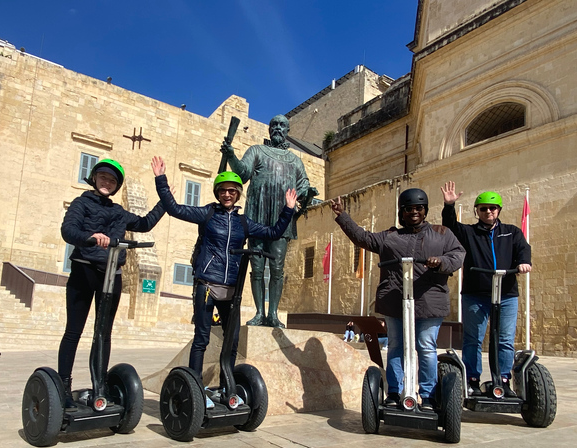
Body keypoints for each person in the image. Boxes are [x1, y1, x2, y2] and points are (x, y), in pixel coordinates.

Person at [152, 155, 297, 408]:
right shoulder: (208, 214)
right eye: (223, 190)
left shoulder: (243, 222)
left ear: (238, 194)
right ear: (217, 193)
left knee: (232, 341)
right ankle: (196, 391)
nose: (227, 194)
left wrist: (288, 209)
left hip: (232, 290)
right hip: (207, 285)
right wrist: (161, 180)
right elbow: (175, 209)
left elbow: (273, 232)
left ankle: (227, 386)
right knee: (202, 338)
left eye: (232, 191)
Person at [331, 189, 464, 410]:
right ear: (401, 212)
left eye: (418, 208)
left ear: (425, 211)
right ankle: (394, 392)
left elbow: (457, 255)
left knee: (426, 347)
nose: (414, 212)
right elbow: (363, 238)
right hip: (396, 302)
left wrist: (440, 261)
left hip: (429, 302)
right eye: (408, 209)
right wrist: (342, 216)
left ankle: (429, 396)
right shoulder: (391, 237)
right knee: (396, 347)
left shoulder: (442, 234)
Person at [58, 158, 166, 410]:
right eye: (103, 178)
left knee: (103, 333)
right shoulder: (81, 203)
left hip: (111, 274)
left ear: (117, 186)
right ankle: (63, 384)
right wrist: (89, 237)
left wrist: (164, 195)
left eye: (112, 180)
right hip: (84, 271)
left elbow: (145, 223)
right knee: (74, 331)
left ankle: (100, 386)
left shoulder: (118, 212)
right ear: (94, 178)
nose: (107, 182)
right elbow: (68, 231)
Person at [221, 114, 317, 328]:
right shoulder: (256, 151)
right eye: (274, 125)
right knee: (256, 267)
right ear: (269, 129)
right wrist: (231, 156)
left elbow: (303, 185)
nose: (278, 128)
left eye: (282, 125)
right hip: (257, 217)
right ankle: (259, 313)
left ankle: (273, 314)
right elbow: (242, 173)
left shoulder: (295, 160)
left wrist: (308, 192)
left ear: (288, 130)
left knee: (277, 268)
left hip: (281, 221)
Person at [441, 181, 532, 397]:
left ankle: (503, 380)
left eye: (492, 208)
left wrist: (523, 262)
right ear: (477, 211)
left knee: (505, 339)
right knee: (473, 338)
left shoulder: (512, 233)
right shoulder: (469, 233)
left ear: (499, 210)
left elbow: (523, 249)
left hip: (506, 293)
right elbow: (450, 227)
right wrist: (449, 206)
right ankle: (472, 379)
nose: (488, 212)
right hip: (476, 294)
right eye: (483, 209)